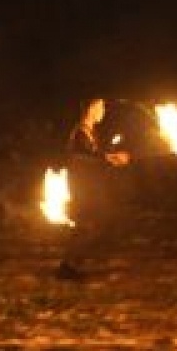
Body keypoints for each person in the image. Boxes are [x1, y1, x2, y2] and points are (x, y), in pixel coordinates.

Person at [56, 97, 130, 280]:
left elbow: (94, 156)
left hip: (88, 185)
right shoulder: (80, 132)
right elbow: (83, 157)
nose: (103, 111)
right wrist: (109, 159)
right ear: (90, 109)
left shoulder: (89, 132)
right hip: (82, 186)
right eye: (100, 107)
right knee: (88, 223)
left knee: (93, 222)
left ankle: (73, 263)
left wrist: (112, 158)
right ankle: (68, 266)